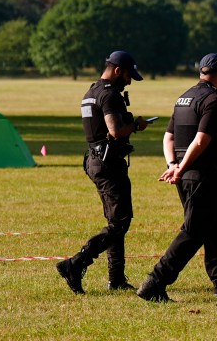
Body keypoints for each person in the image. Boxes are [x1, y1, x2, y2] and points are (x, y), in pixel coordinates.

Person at [137, 53, 217, 302]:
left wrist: (173, 164)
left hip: (186, 173)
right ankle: (155, 282)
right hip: (200, 173)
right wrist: (180, 168)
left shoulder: (184, 98)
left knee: (216, 226)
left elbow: (169, 137)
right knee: (194, 231)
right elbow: (201, 140)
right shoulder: (213, 100)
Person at [56, 50, 149, 295]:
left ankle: (116, 278)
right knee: (120, 222)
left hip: (95, 160)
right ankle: (75, 264)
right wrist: (136, 125)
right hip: (108, 164)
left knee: (116, 221)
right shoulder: (109, 95)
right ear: (118, 70)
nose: (129, 81)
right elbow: (116, 130)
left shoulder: (91, 92)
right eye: (129, 76)